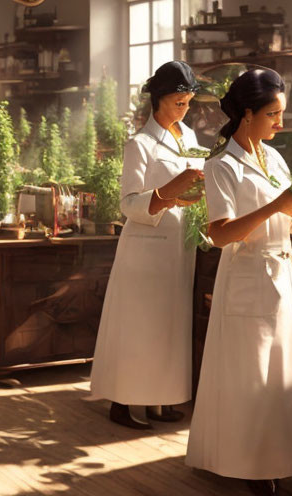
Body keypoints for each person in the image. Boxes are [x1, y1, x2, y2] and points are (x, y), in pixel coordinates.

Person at [185, 68, 292, 496]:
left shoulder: (275, 158)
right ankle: (251, 464)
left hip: (286, 277)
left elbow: (291, 220)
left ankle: (281, 459)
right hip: (248, 275)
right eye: (273, 114)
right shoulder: (222, 166)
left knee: (285, 376)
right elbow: (220, 233)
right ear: (247, 114)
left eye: (282, 113)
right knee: (254, 377)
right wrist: (279, 203)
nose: (281, 122)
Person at [90, 61, 207, 429]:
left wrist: (196, 194)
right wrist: (172, 192)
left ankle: (161, 399)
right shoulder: (139, 145)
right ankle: (122, 402)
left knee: (169, 327)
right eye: (177, 102)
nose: (183, 110)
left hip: (178, 247)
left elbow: (194, 188)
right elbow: (128, 203)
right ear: (157, 101)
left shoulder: (188, 139)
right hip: (145, 249)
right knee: (139, 327)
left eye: (188, 102)